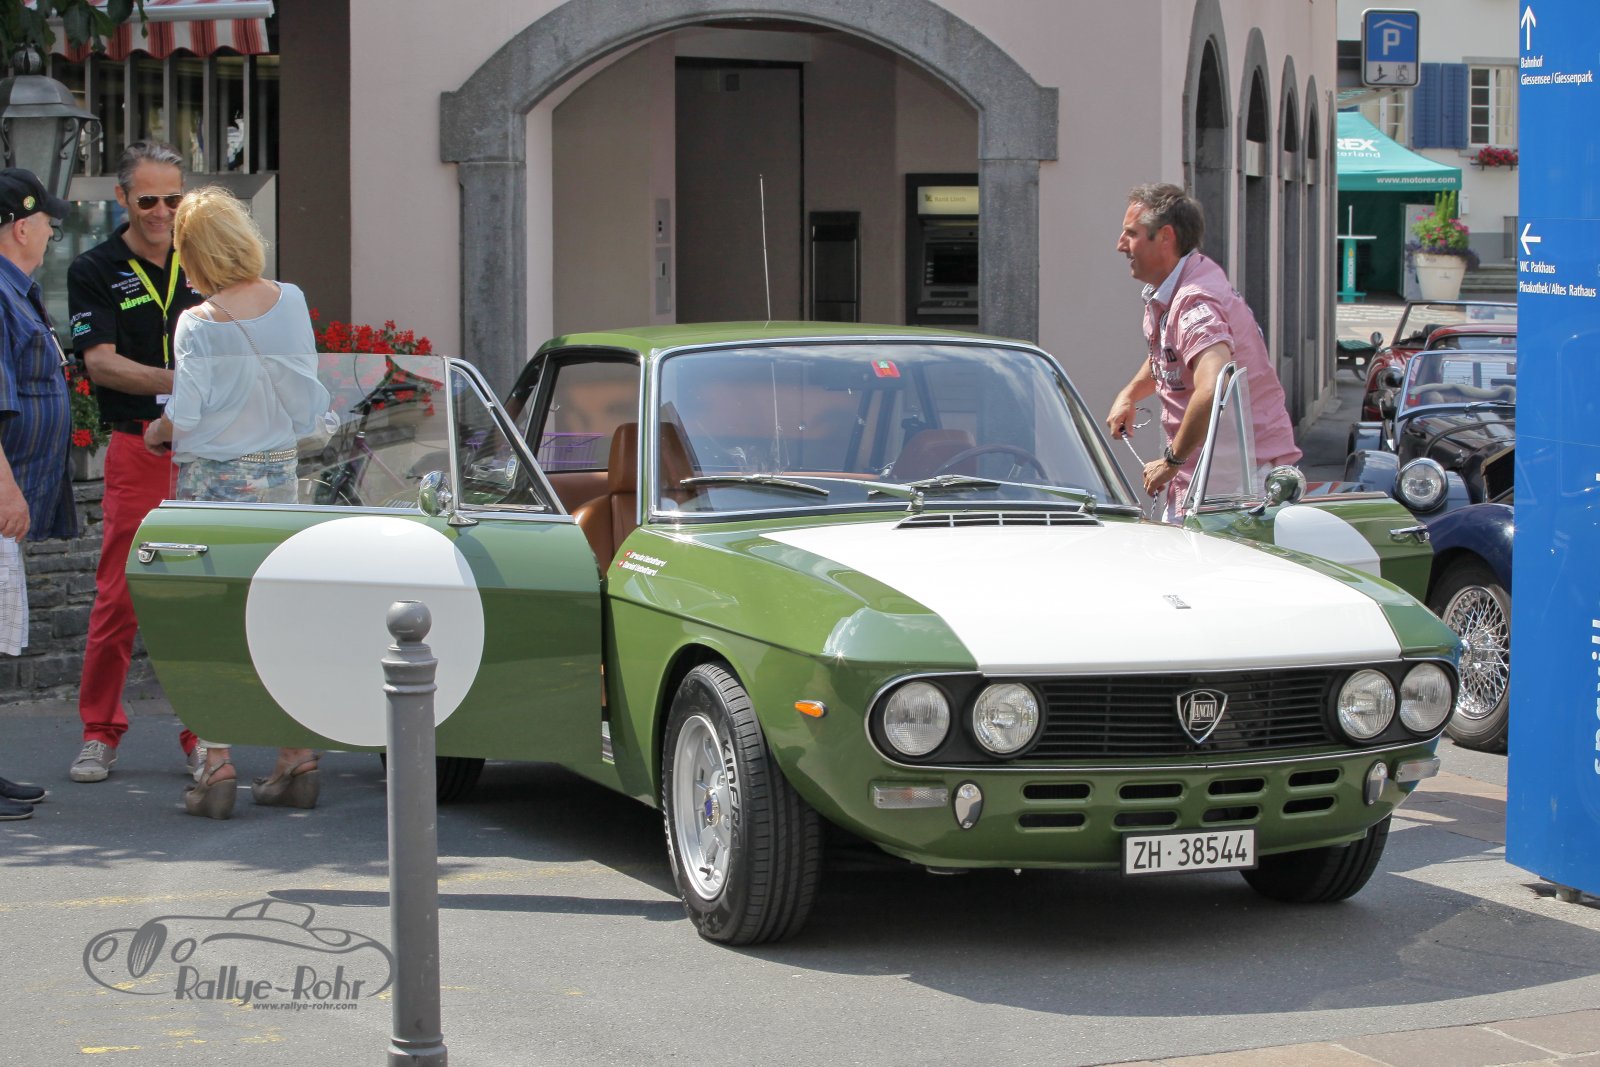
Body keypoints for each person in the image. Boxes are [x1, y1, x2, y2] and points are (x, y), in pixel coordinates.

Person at [142, 186, 328, 819]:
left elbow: (187, 415)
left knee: (210, 624)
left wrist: (157, 430)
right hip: (277, 480)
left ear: (194, 254)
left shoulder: (197, 322)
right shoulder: (290, 300)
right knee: (278, 614)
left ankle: (216, 762)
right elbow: (307, 403)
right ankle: (295, 754)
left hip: (211, 489)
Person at [67, 141, 205, 784]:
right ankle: (99, 732)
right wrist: (186, 383)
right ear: (122, 198)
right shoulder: (94, 267)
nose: (161, 212)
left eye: (173, 199)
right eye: (147, 199)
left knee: (202, 598)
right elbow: (100, 363)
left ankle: (206, 736)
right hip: (138, 446)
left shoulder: (203, 258)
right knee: (119, 598)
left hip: (206, 452)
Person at [1106, 182, 1301, 521]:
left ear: (1165, 236)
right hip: (1218, 479)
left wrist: (1171, 461)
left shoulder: (1195, 302)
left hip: (1235, 485)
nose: (1121, 244)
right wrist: (1131, 393)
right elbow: (1173, 356)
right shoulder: (1183, 284)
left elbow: (1213, 386)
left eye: (1131, 234)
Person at [0, 168, 76, 819]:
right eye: (47, 221)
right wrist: (6, 489)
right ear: (21, 226)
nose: (53, 231)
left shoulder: (15, 292)